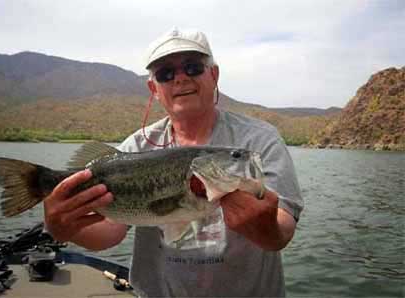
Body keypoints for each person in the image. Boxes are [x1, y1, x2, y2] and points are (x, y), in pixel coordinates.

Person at [43, 28, 303, 297]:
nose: (180, 78)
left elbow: (281, 232)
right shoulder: (136, 148)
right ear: (153, 88)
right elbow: (110, 231)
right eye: (165, 74)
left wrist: (266, 227)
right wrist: (64, 229)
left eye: (192, 67)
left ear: (213, 75)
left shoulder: (257, 141)